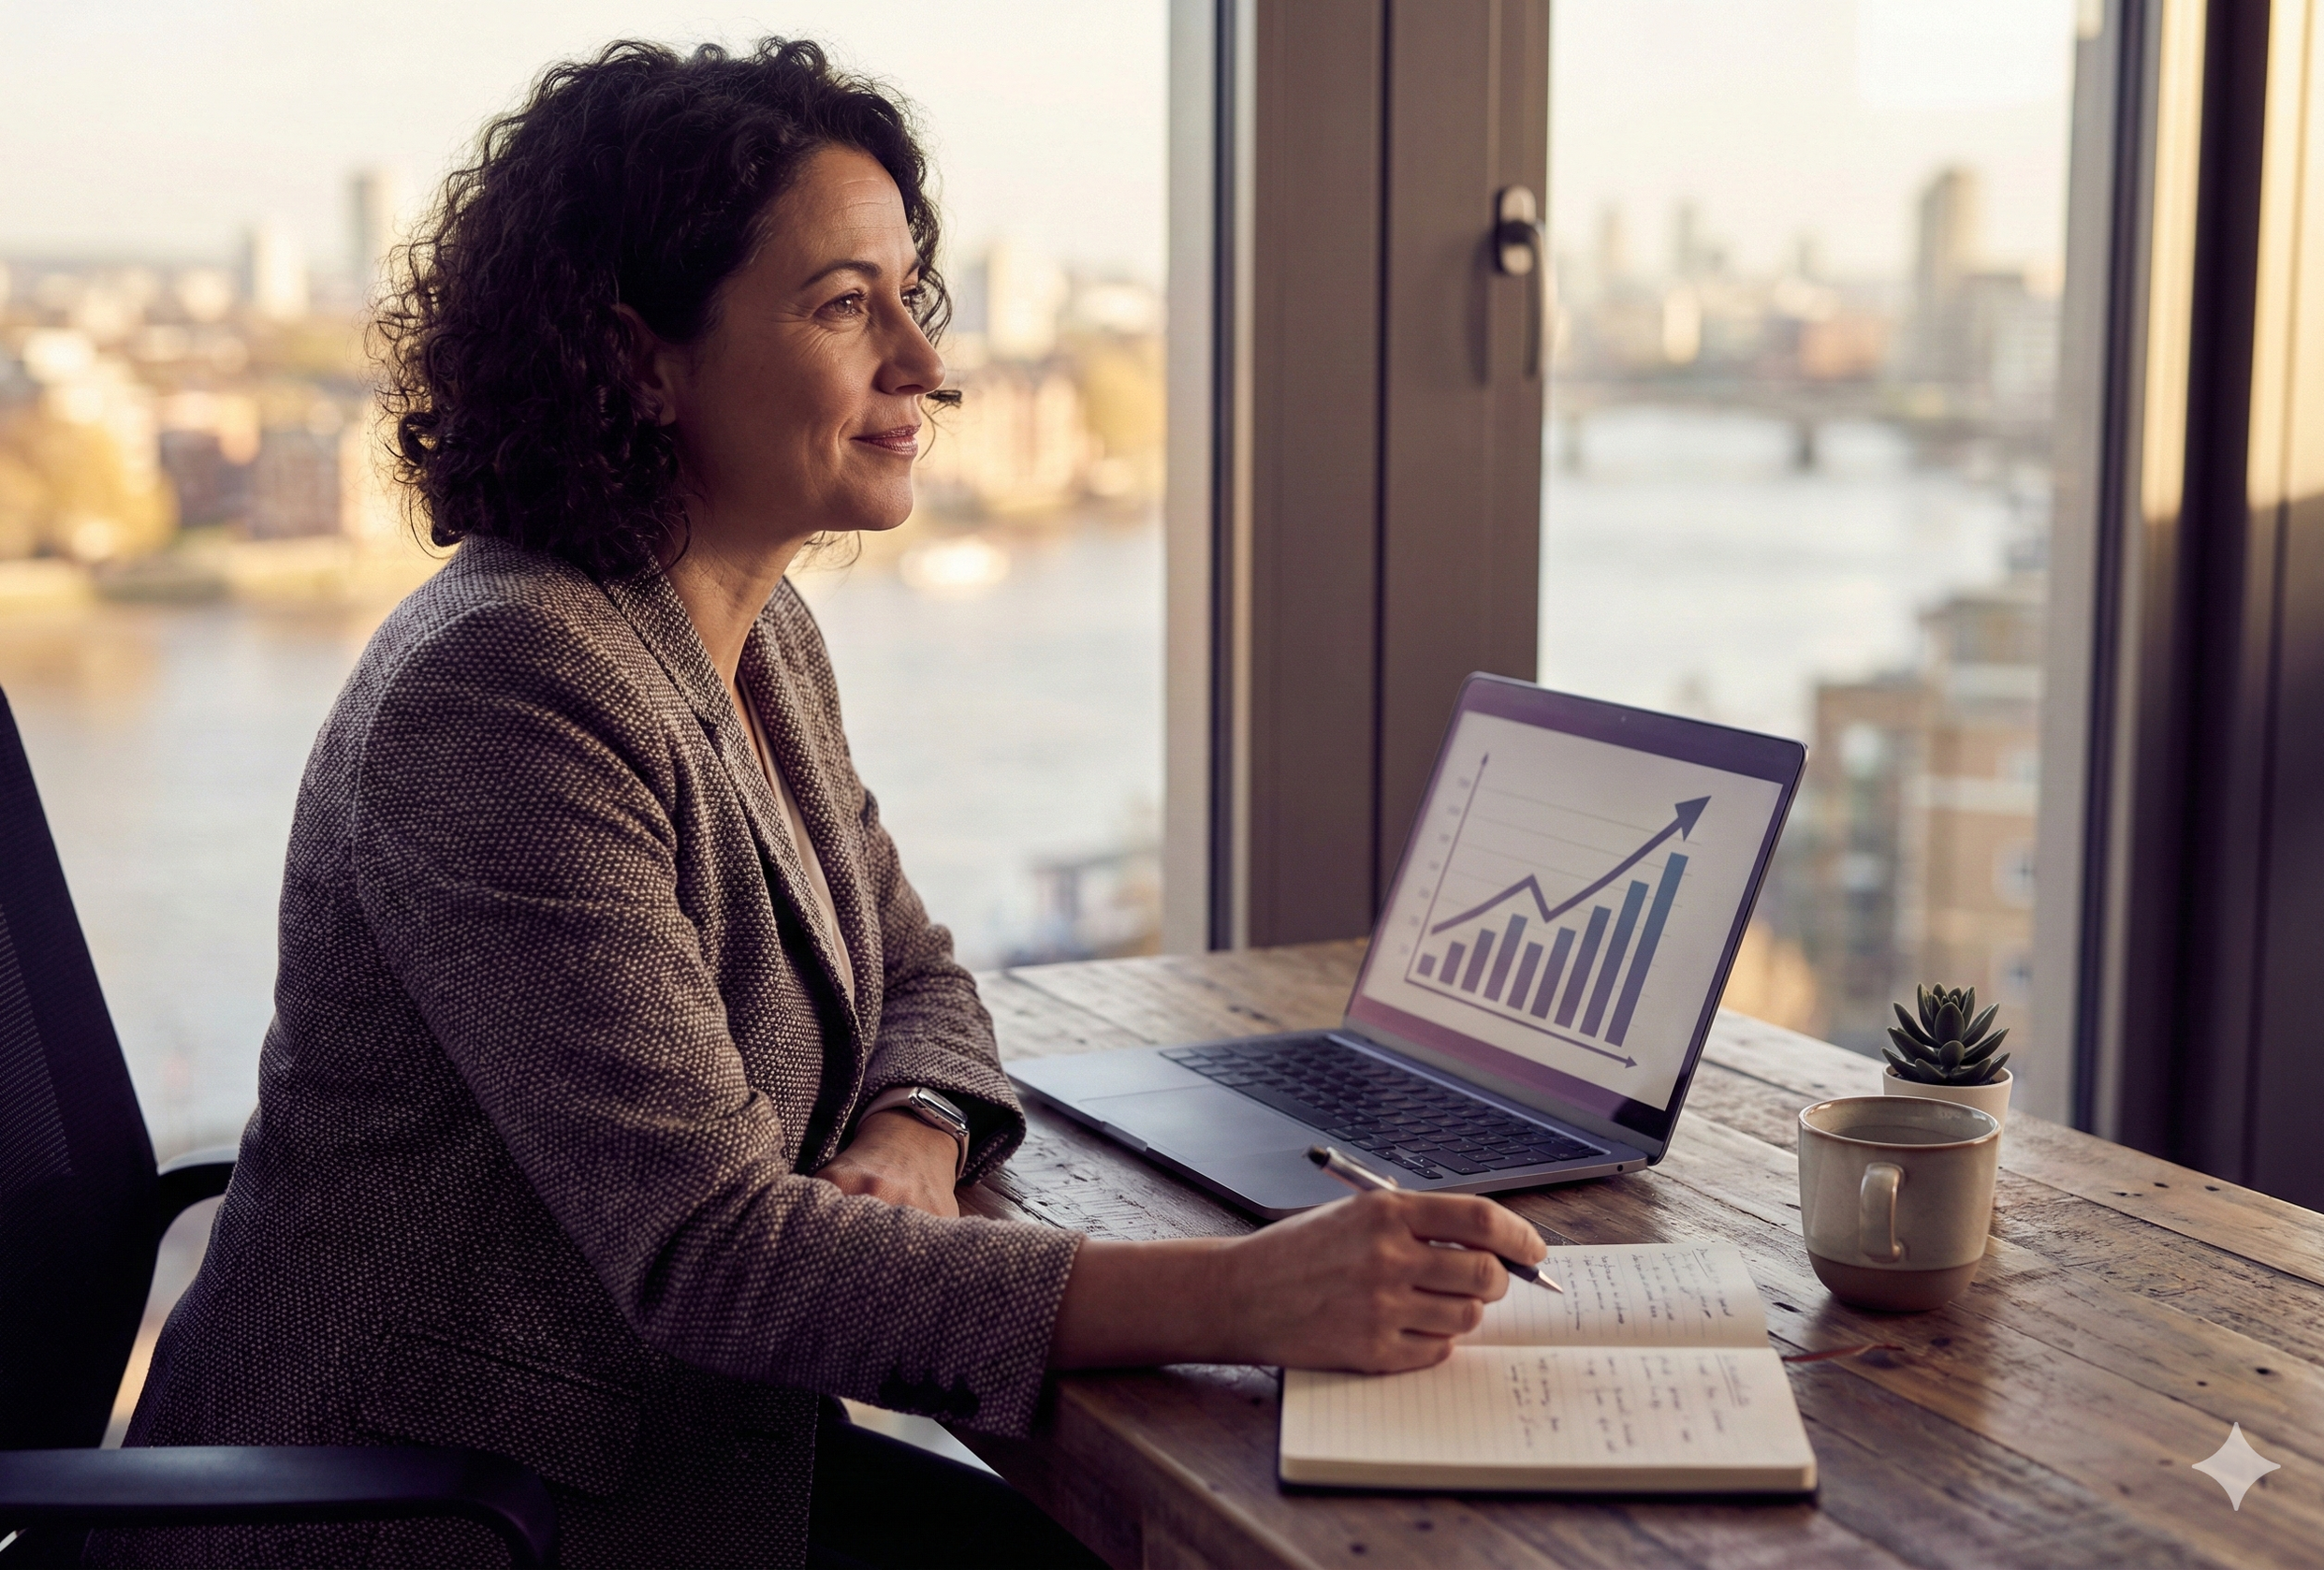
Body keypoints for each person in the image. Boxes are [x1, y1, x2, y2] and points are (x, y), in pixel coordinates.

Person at [100, 38, 1546, 1570]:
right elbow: (716, 1258)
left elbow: (915, 971)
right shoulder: (506, 694)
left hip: (661, 1461)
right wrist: (1248, 1296)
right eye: (845, 305)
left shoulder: (753, 629)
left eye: (912, 295)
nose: (923, 363)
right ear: (638, 356)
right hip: (426, 1515)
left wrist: (916, 1135)